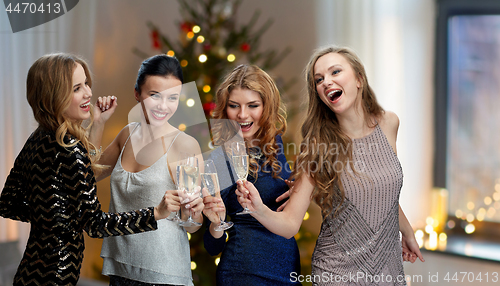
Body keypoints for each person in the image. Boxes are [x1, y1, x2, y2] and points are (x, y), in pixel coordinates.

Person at [236, 46, 424, 285]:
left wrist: (406, 231)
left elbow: (381, 191)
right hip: (337, 273)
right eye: (319, 79)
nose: (327, 81)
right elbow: (290, 224)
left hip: (389, 269)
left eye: (335, 72)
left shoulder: (389, 123)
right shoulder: (318, 147)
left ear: (359, 79)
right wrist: (258, 208)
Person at [0, 53, 177, 286]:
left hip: (28, 272)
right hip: (57, 275)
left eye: (86, 83)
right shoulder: (70, 149)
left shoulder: (38, 138)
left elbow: (8, 203)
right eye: (76, 88)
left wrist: (52, 217)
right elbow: (95, 225)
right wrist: (155, 213)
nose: (88, 93)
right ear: (54, 96)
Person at [93, 54, 222, 286]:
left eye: (173, 98)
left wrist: (193, 211)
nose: (164, 106)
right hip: (120, 268)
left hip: (163, 274)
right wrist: (98, 123)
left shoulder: (185, 145)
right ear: (137, 93)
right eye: (154, 96)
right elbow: (88, 175)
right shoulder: (127, 133)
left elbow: (192, 226)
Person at [203, 64, 301, 285]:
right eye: (234, 106)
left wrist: (298, 188)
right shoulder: (221, 157)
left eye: (253, 105)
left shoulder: (276, 144)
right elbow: (212, 247)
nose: (242, 115)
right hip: (244, 272)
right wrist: (216, 223)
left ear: (267, 106)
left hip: (288, 270)